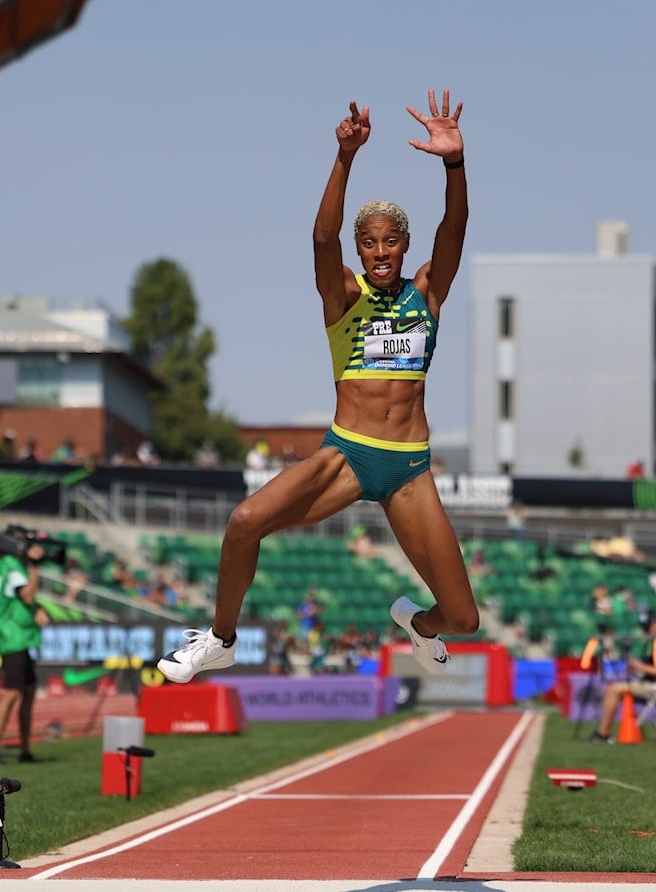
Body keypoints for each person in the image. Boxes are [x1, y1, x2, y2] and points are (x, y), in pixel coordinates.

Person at [158, 88, 478, 684]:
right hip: (349, 454)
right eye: (370, 242)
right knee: (244, 521)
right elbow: (322, 241)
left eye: (391, 241)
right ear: (360, 250)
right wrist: (345, 156)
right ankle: (221, 639)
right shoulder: (343, 296)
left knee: (463, 617)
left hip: (409, 468)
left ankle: (419, 624)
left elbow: (454, 229)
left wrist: (453, 163)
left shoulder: (428, 292)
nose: (380, 251)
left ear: (404, 246)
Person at [0, 541, 50, 764]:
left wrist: (38, 610)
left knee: (29, 691)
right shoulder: (12, 565)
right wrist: (34, 566)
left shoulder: (14, 566)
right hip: (12, 639)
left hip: (21, 638)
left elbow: (25, 602)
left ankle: (25, 750)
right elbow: (27, 596)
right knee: (11, 694)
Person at [589, 610, 656, 742]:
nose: (646, 630)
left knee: (613, 689)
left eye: (648, 626)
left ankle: (602, 733)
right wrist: (636, 669)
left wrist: (640, 666)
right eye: (644, 627)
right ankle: (613, 732)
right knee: (615, 688)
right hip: (647, 682)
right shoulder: (651, 641)